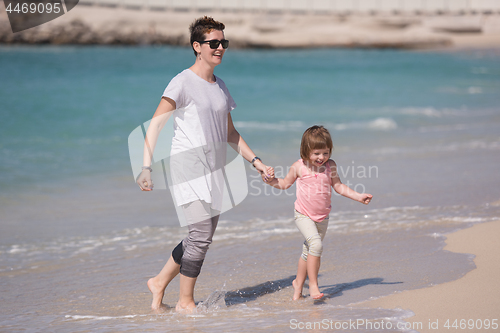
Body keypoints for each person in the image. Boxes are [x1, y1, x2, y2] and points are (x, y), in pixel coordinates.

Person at [136, 16, 273, 312]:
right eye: (214, 43)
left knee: (199, 238)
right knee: (200, 236)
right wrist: (145, 167)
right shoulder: (182, 82)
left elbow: (230, 133)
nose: (220, 47)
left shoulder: (220, 86)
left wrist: (257, 162)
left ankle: (159, 282)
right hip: (187, 169)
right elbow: (155, 126)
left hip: (215, 171)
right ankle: (186, 302)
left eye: (224, 42)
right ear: (197, 46)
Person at [267, 125, 372, 300]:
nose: (321, 157)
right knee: (316, 246)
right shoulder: (298, 167)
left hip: (323, 217)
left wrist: (358, 196)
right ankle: (314, 285)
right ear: (306, 151)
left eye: (325, 152)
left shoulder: (331, 165)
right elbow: (284, 184)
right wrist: (270, 181)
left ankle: (298, 285)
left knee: (308, 252)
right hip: (303, 214)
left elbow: (338, 186)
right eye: (316, 153)